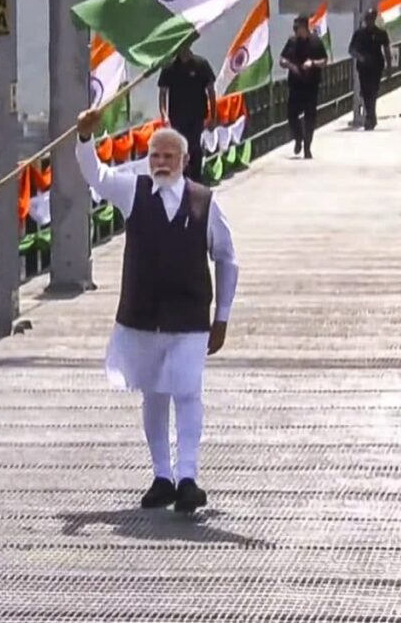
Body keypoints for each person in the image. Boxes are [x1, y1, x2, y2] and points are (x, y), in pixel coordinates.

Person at [73, 105, 239, 514]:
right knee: (154, 393)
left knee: (187, 391)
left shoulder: (204, 202)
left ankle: (188, 477)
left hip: (189, 317)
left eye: (169, 156)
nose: (161, 162)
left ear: (185, 160)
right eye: (155, 156)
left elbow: (227, 258)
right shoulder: (133, 192)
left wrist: (222, 317)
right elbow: (96, 175)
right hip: (144, 315)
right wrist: (85, 139)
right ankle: (162, 476)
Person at [158, 44, 217, 184]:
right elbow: (163, 92)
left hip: (197, 115)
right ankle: (183, 181)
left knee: (194, 146)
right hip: (177, 117)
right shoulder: (169, 67)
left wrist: (213, 116)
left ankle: (196, 179)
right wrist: (164, 115)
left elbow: (211, 91)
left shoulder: (201, 64)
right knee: (180, 148)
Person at [279, 15, 329, 159]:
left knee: (310, 118)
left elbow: (325, 60)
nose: (295, 30)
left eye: (297, 27)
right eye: (294, 28)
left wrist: (312, 63)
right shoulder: (292, 42)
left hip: (311, 86)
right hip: (295, 85)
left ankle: (307, 147)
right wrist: (289, 65)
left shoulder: (315, 42)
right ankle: (298, 138)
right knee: (291, 115)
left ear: (305, 27)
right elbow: (282, 59)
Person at [348, 8, 391, 130]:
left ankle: (370, 116)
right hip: (363, 67)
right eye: (368, 19)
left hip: (376, 67)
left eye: (372, 19)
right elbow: (351, 49)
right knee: (366, 92)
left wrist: (389, 67)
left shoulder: (381, 33)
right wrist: (360, 57)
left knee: (374, 91)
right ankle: (371, 116)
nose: (369, 21)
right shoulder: (359, 34)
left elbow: (386, 49)